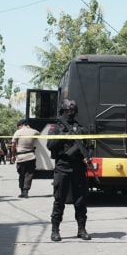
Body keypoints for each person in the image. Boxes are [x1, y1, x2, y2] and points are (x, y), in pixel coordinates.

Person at [47, 99, 92, 242]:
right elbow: (50, 145)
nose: (70, 113)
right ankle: (55, 230)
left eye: (72, 111)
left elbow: (90, 145)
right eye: (67, 111)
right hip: (62, 166)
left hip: (78, 167)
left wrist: (88, 157)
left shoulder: (81, 128)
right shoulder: (56, 127)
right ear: (63, 111)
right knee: (59, 200)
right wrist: (63, 137)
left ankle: (81, 229)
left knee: (80, 200)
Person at [12, 119, 39, 198]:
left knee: (21, 174)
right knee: (29, 175)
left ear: (21, 125)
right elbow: (39, 134)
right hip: (31, 156)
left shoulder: (18, 132)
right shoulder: (33, 131)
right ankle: (25, 191)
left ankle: (22, 190)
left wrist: (13, 156)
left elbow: (13, 145)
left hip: (20, 157)